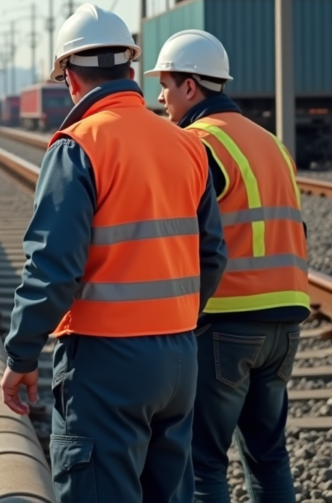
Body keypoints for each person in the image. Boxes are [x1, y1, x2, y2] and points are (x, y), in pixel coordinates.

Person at [1, 3, 227, 503]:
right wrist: (178, 319)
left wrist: (21, 352)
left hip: (106, 360)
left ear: (70, 79)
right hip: (178, 359)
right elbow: (213, 253)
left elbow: (53, 267)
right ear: (130, 70)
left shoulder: (79, 145)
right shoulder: (186, 144)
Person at [146, 29, 310, 503]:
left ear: (191, 87)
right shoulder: (272, 144)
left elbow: (184, 238)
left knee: (203, 462)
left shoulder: (196, 145)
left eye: (166, 85)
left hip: (228, 321)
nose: (160, 97)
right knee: (269, 455)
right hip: (287, 320)